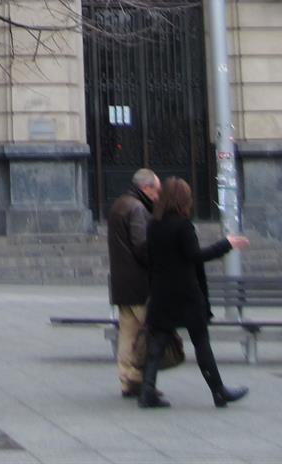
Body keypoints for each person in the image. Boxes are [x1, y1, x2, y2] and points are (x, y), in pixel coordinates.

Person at [138, 176, 250, 410]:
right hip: (186, 294)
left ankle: (147, 391)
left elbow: (151, 259)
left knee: (157, 343)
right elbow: (195, 256)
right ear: (182, 199)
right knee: (201, 342)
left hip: (161, 293)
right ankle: (218, 391)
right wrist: (226, 244)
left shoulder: (154, 224)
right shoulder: (183, 225)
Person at [106, 167, 161, 398]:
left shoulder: (120, 204)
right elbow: (141, 245)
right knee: (145, 334)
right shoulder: (137, 208)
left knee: (127, 334)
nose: (158, 196)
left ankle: (126, 379)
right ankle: (140, 379)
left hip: (122, 281)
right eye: (157, 190)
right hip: (138, 282)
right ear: (146, 188)